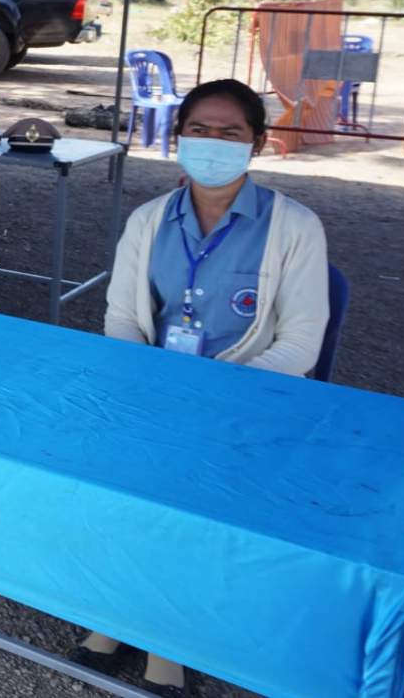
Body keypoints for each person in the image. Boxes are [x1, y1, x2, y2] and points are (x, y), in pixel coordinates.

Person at [71, 79, 329, 698]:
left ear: (256, 143)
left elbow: (300, 344)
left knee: (192, 496)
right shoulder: (148, 220)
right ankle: (116, 613)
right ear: (180, 136)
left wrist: (215, 399)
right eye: (200, 130)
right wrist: (152, 390)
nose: (213, 142)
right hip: (154, 391)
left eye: (230, 133)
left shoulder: (295, 227)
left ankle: (169, 640)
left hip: (247, 402)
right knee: (125, 486)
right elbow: (123, 319)